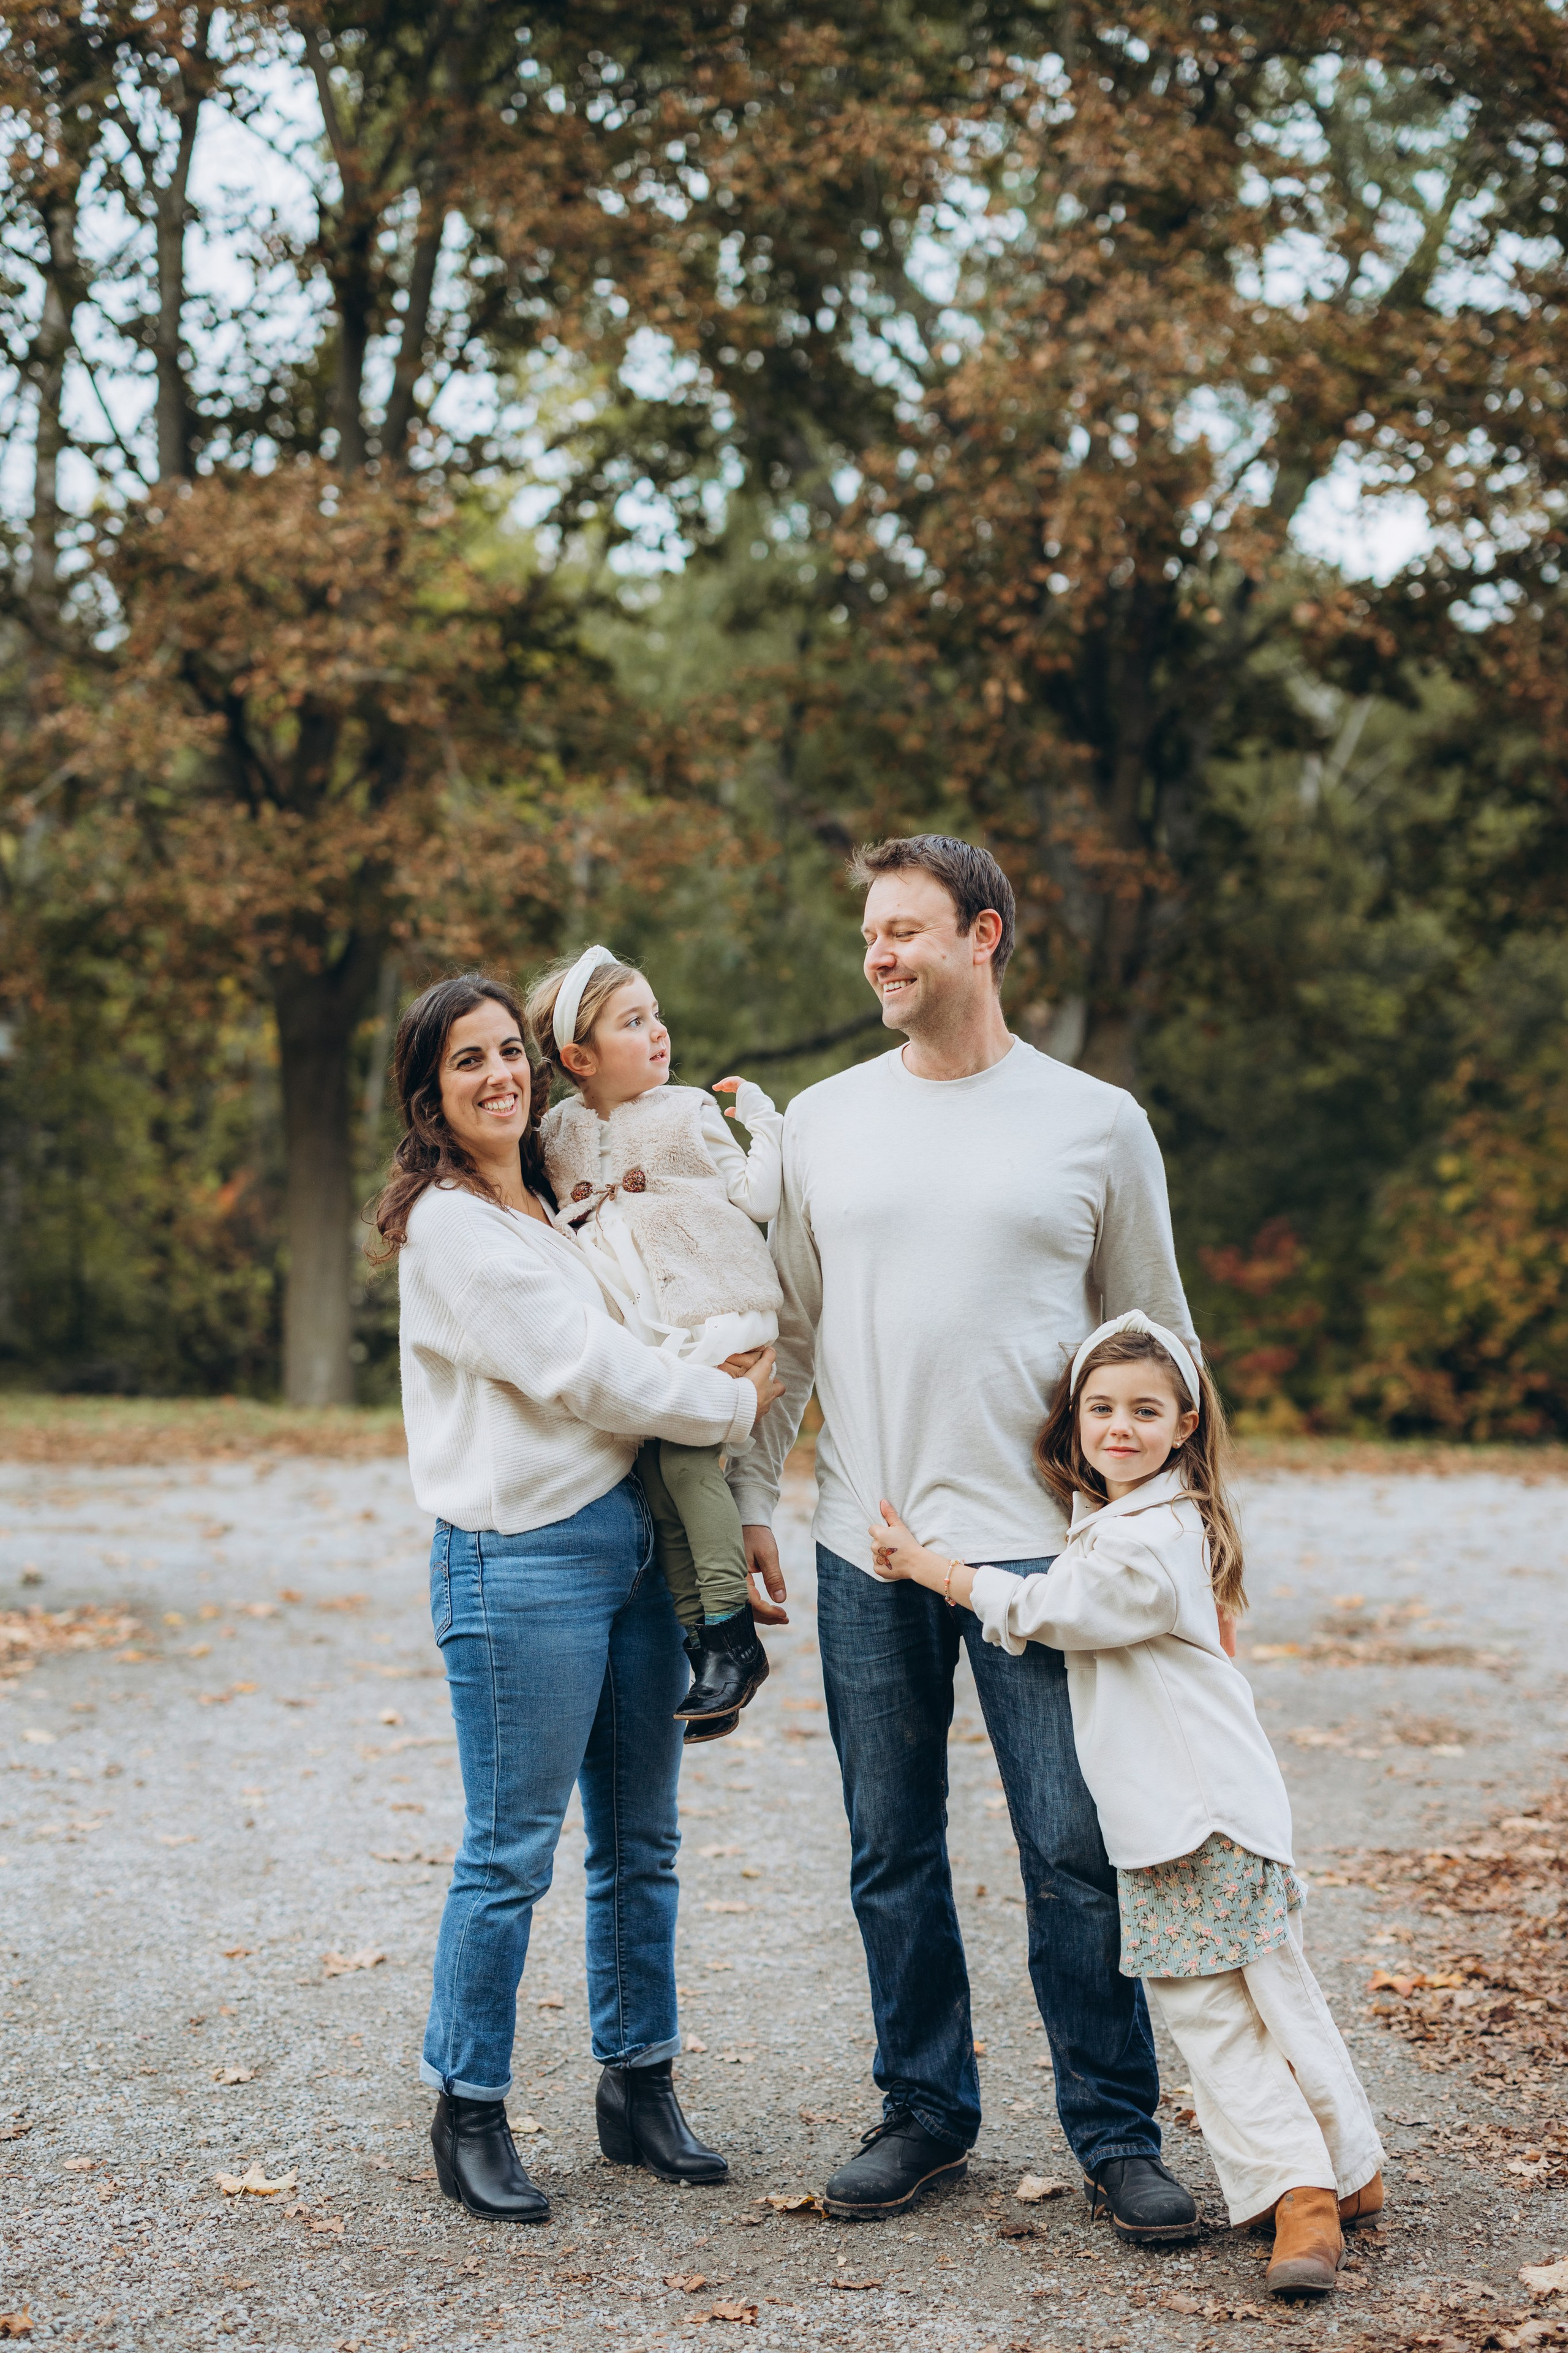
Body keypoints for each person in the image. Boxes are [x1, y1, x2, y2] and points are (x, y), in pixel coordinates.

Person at [731, 834, 1202, 2235]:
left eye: (904, 930)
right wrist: (751, 1496)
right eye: (869, 934)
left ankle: (1113, 2129)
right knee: (889, 1844)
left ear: (981, 936)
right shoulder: (824, 1120)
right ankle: (923, 2109)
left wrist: (1190, 1544)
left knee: (1071, 1844)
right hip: (864, 1541)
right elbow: (789, 1332)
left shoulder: (1094, 1122)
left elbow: (1161, 1340)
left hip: (1044, 1555)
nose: (877, 954)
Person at [371, 972, 782, 2224]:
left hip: (629, 1546)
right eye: (468, 1060)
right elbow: (581, 1367)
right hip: (520, 1561)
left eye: (510, 1051)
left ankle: (638, 2085)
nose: (500, 1075)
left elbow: (648, 1322)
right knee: (510, 1852)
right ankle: (468, 2107)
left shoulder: (547, 1204)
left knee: (642, 1841)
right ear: (430, 1094)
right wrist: (728, 1400)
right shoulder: (450, 1227)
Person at [867, 1310, 1385, 2297]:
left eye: (1146, 1410)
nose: (1119, 1426)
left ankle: (1304, 2199)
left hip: (1190, 1817)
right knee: (1270, 1993)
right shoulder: (1140, 1518)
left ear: (1185, 1425)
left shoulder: (1149, 1538)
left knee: (1212, 2011)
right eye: (1100, 1407)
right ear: (1075, 1419)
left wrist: (931, 1565)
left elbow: (1051, 1607)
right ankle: (1348, 2168)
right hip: (1213, 1807)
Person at [526, 945, 784, 1738]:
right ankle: (704, 1650)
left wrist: (766, 1125)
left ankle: (732, 1636)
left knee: (685, 1460)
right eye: (634, 1022)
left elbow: (757, 1197)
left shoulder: (687, 1111)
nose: (659, 1032)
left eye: (656, 1015)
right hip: (646, 1330)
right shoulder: (558, 1132)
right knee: (655, 1477)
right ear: (580, 1058)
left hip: (713, 1308)